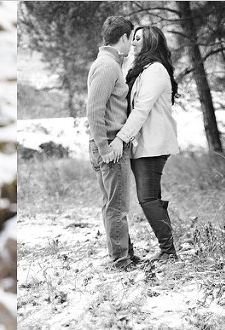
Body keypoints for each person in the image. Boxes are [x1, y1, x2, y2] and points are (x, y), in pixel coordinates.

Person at [111, 25, 180, 262]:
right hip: (144, 144)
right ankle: (168, 249)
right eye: (133, 38)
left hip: (153, 144)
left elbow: (141, 110)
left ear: (150, 43)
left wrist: (121, 138)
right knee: (153, 197)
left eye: (138, 39)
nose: (133, 42)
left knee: (147, 198)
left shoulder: (156, 71)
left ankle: (169, 252)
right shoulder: (141, 70)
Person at [86, 15, 139, 271]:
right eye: (132, 38)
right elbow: (94, 111)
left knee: (112, 204)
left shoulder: (109, 63)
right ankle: (121, 261)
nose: (132, 44)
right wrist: (106, 148)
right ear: (124, 37)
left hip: (108, 144)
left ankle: (123, 254)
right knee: (117, 207)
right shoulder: (107, 66)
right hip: (109, 146)